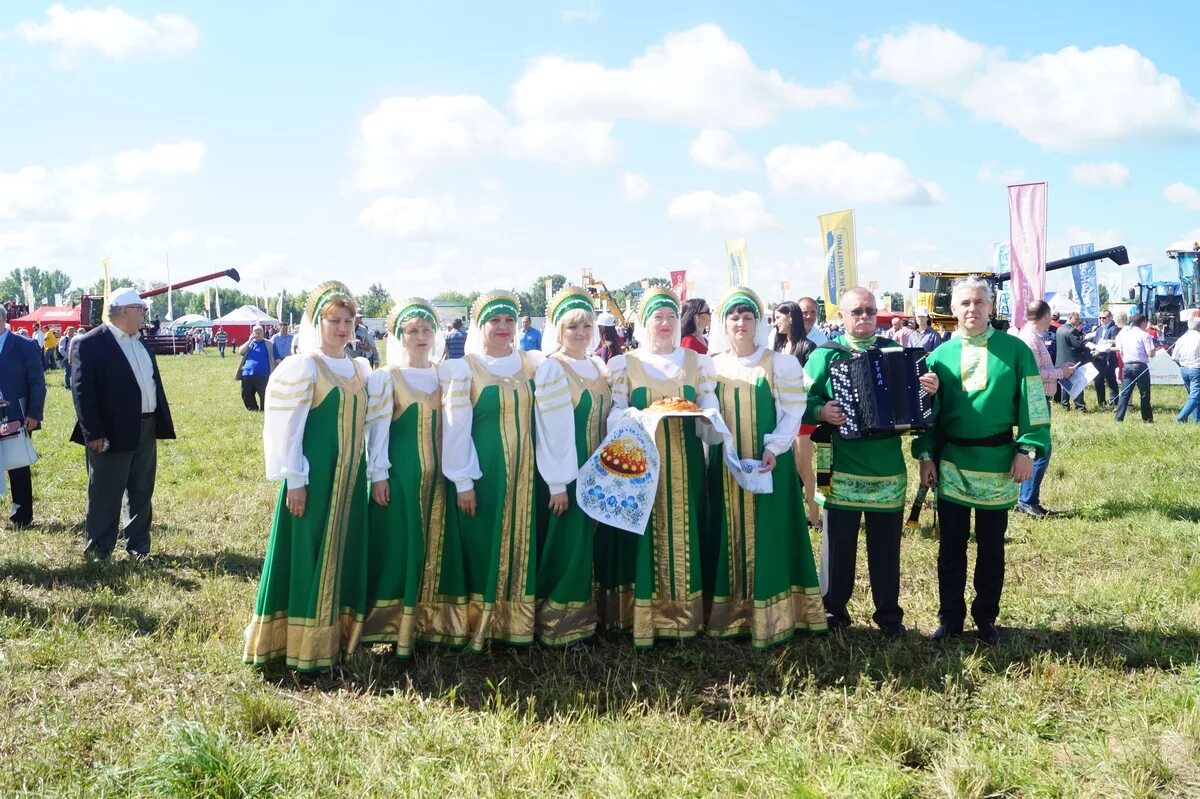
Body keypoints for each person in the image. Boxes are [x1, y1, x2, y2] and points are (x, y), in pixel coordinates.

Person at [914, 277, 1050, 645]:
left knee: (991, 546)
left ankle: (986, 617)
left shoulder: (1015, 350)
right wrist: (926, 456)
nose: (972, 309)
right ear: (953, 310)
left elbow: (1033, 404)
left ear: (990, 306)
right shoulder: (937, 356)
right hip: (952, 463)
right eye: (964, 304)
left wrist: (1027, 450)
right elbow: (928, 415)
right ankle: (951, 618)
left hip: (999, 462)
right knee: (951, 547)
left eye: (979, 302)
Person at [243, 281, 371, 671]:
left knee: (343, 550)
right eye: (334, 320)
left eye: (348, 320)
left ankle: (337, 636)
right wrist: (294, 478)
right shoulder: (302, 366)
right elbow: (286, 427)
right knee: (307, 550)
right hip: (314, 478)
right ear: (318, 322)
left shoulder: (360, 367)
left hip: (350, 478)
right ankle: (299, 643)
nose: (343, 328)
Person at [804, 288, 939, 637]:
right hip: (842, 466)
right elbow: (798, 400)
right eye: (856, 311)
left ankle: (889, 616)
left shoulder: (897, 353)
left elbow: (924, 413)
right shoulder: (825, 355)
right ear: (842, 316)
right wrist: (820, 410)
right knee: (837, 546)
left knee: (885, 549)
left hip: (887, 468)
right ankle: (833, 610)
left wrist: (929, 391)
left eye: (869, 310)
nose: (863, 316)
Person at [597, 286, 717, 647]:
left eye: (669, 316)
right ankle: (641, 615)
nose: (664, 323)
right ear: (645, 323)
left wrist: (709, 418)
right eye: (656, 317)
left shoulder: (698, 363)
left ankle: (684, 614)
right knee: (643, 532)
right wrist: (640, 415)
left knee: (685, 527)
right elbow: (614, 412)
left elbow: (709, 405)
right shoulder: (625, 364)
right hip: (640, 462)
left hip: (686, 460)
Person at [706, 287, 826, 646]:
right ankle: (732, 613)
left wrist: (775, 446)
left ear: (757, 323)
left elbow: (793, 411)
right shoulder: (712, 366)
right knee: (728, 532)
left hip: (768, 463)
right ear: (724, 324)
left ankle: (775, 615)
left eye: (747, 317)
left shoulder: (779, 362)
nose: (740, 323)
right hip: (727, 466)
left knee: (769, 534)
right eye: (733, 317)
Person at [440, 290, 545, 649]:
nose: (503, 327)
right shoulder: (465, 368)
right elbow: (455, 428)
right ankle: (479, 624)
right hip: (483, 473)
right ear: (479, 326)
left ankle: (515, 623)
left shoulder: (532, 364)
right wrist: (463, 480)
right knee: (484, 544)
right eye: (495, 321)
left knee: (521, 541)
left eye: (509, 320)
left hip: (525, 474)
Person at [361, 298, 447, 658]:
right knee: (401, 546)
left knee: (433, 545)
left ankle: (429, 623)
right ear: (399, 336)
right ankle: (393, 625)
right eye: (412, 330)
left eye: (426, 329)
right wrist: (378, 473)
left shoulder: (445, 374)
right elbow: (376, 430)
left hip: (440, 475)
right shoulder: (387, 377)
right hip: (401, 475)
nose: (420, 336)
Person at [69, 288, 176, 560]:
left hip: (146, 426)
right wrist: (93, 432)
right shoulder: (91, 342)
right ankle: (99, 551)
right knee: (106, 491)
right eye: (141, 309)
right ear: (124, 311)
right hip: (110, 431)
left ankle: (138, 547)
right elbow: (83, 392)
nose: (145, 314)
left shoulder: (140, 341)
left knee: (142, 489)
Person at [533, 286, 610, 646]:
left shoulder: (597, 364)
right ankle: (559, 625)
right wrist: (558, 483)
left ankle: (588, 619)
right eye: (571, 327)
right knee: (569, 544)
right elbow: (552, 430)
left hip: (599, 469)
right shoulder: (553, 368)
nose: (580, 333)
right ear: (558, 331)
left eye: (585, 326)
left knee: (591, 543)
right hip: (570, 469)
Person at [1015, 301, 1076, 518]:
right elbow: (1033, 373)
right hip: (1035, 400)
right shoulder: (1031, 339)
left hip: (1038, 399)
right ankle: (1027, 500)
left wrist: (1060, 371)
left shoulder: (1032, 337)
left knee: (1033, 449)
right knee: (1040, 449)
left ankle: (1026, 498)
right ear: (1046, 315)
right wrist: (1061, 373)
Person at [772, 300, 819, 526]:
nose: (775, 323)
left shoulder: (807, 347)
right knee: (789, 466)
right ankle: (795, 513)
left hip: (801, 414)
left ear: (791, 317)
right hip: (781, 412)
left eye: (778, 318)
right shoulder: (779, 346)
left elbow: (811, 383)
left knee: (803, 466)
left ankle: (814, 516)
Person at [0, 305, 46, 529]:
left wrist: (34, 414)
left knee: (17, 465)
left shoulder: (24, 346)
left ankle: (22, 514)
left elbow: (37, 383)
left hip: (15, 416)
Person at [1113, 314, 1159, 423]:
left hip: (1127, 366)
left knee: (1125, 393)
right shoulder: (1145, 335)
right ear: (1142, 322)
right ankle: (1147, 419)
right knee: (1144, 393)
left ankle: (1118, 418)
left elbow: (1121, 351)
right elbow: (1150, 353)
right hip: (1140, 366)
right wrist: (1154, 351)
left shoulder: (1125, 335)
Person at [236, 325, 277, 412]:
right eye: (256, 333)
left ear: (263, 333)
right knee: (247, 394)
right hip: (247, 374)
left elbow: (277, 358)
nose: (258, 335)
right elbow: (241, 351)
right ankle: (253, 409)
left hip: (264, 374)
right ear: (252, 333)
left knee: (264, 394)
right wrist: (249, 340)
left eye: (260, 333)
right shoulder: (250, 343)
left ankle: (264, 410)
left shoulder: (270, 344)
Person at [1054, 312, 1088, 411]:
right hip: (1071, 361)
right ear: (1070, 318)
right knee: (1077, 383)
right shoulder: (1071, 330)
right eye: (1076, 319)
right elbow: (1078, 345)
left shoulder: (1059, 329)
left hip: (1060, 360)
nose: (1078, 321)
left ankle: (1065, 405)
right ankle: (1080, 406)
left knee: (1064, 385)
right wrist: (1088, 347)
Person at [1088, 310, 1120, 405]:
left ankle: (1114, 402)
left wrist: (1102, 348)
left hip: (1108, 359)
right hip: (1098, 360)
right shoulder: (1099, 329)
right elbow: (1096, 341)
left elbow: (1115, 342)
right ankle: (1101, 401)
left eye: (1104, 318)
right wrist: (1093, 348)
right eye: (1100, 318)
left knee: (1111, 381)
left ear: (1110, 318)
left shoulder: (1114, 329)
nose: (1102, 319)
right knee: (1098, 381)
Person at [1172, 316, 1200, 423]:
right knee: (1195, 397)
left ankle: (1196, 420)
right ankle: (1181, 418)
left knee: (1194, 396)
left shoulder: (1182, 338)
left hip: (1184, 369)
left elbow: (1174, 357)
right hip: (1196, 369)